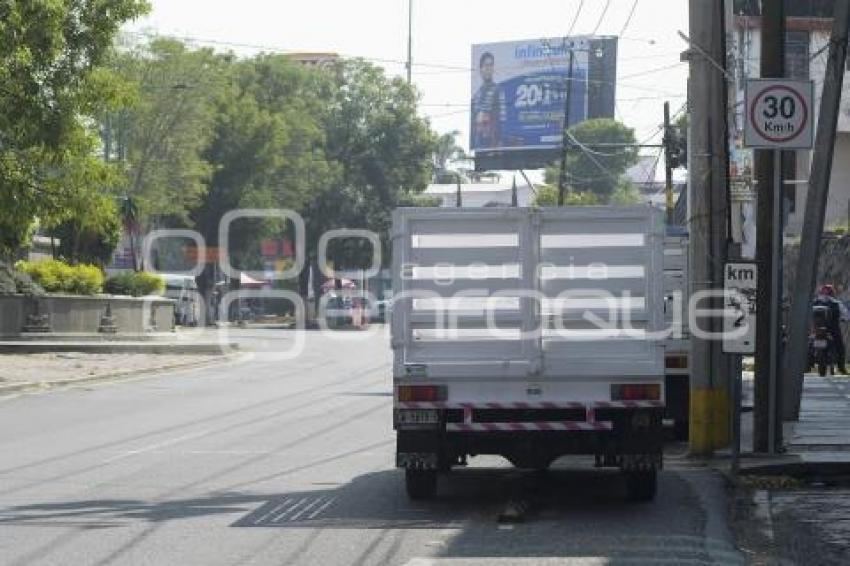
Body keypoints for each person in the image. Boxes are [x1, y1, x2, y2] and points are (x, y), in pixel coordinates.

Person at [471, 52, 507, 149]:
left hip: (493, 142)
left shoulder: (498, 90)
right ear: (481, 69)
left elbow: (502, 121)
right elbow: (473, 123)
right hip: (478, 143)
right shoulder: (476, 95)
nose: (489, 69)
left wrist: (498, 142)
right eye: (486, 66)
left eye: (491, 65)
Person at [813, 284, 848, 374]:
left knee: (808, 344)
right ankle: (841, 368)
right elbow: (846, 315)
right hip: (833, 329)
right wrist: (844, 319)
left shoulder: (814, 302)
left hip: (816, 330)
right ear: (832, 293)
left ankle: (807, 365)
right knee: (840, 347)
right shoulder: (836, 303)